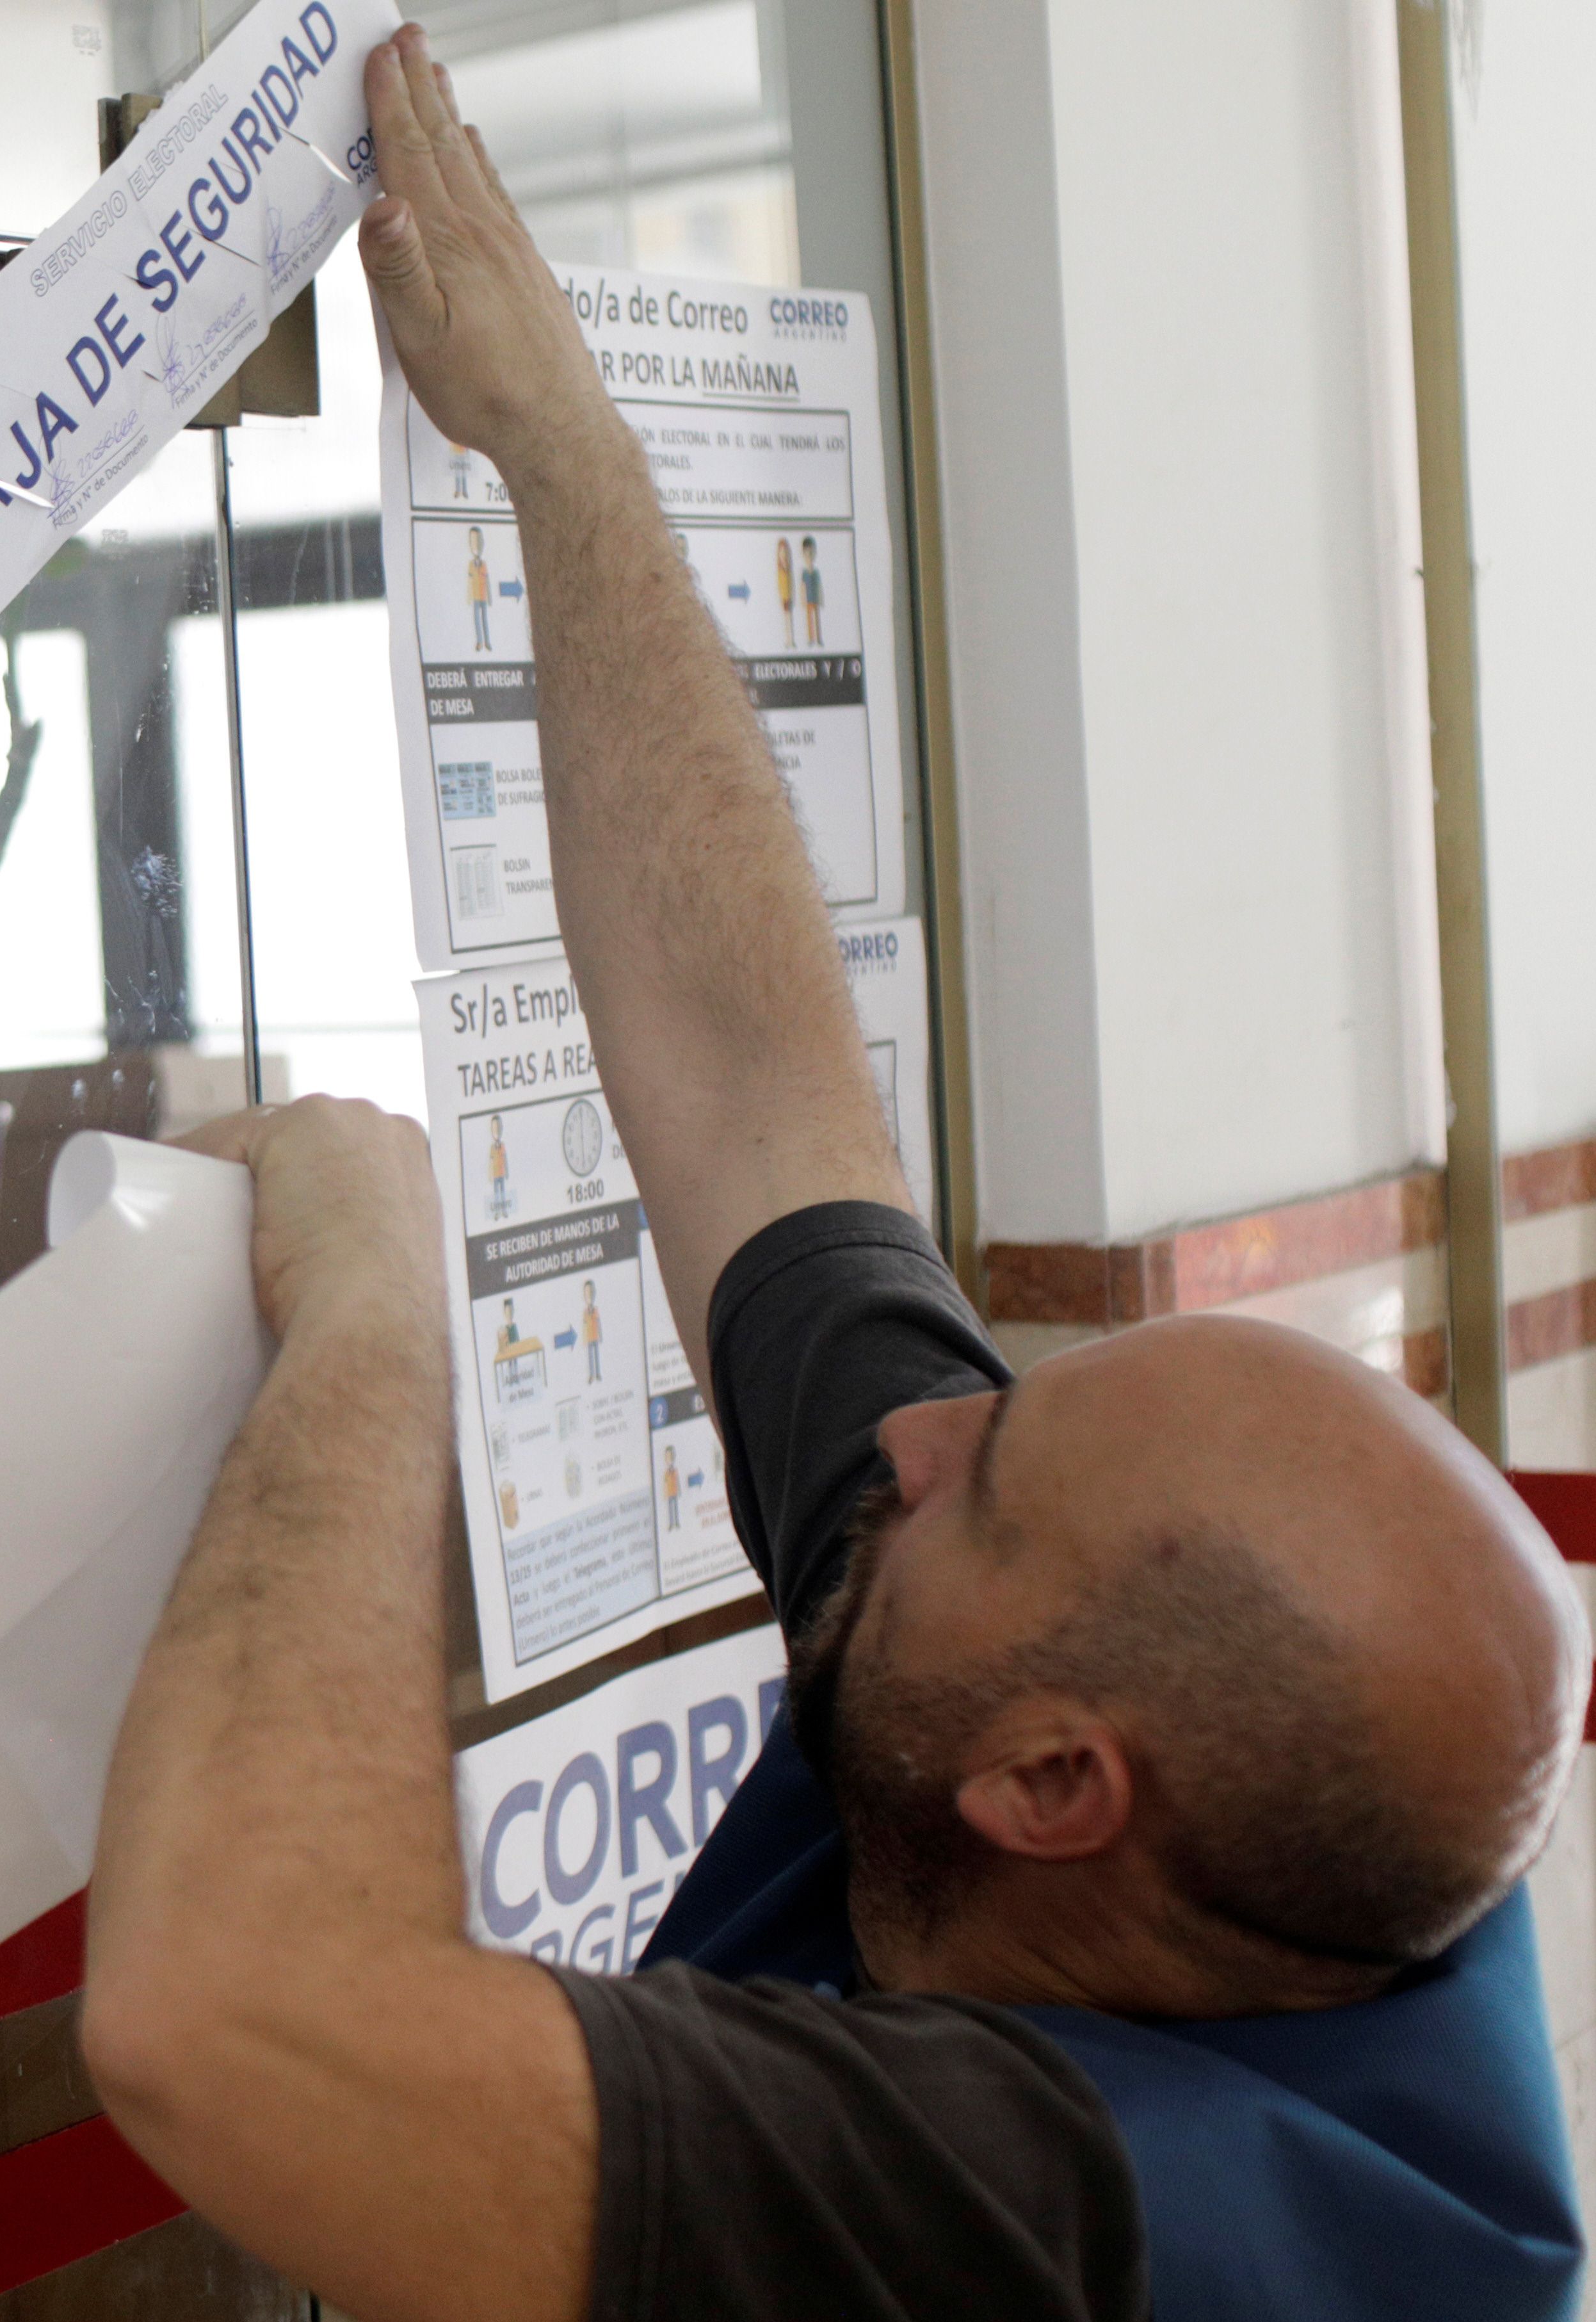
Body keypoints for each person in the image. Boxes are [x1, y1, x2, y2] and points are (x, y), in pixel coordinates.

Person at [81, 29, 1588, 2322]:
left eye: (992, 1484)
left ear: (1056, 1786)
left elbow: (231, 2021)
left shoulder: (1094, 2222)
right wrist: (558, 449)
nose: (914, 1435)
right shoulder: (1286, 1816)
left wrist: (380, 1326)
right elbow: (763, 1093)